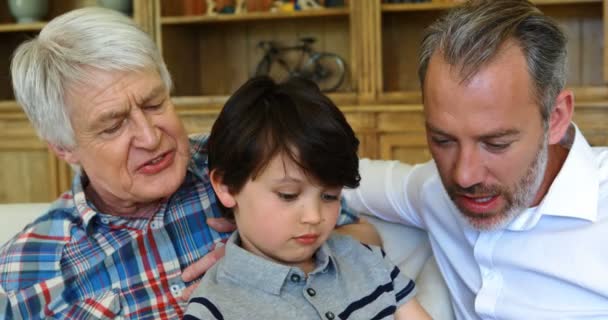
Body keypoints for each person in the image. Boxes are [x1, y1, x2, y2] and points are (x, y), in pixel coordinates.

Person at [0, 8, 375, 319]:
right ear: (64, 147)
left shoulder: (241, 160)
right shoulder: (28, 271)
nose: (150, 137)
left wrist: (264, 258)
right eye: (114, 125)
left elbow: (365, 238)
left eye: (154, 104)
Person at [344, 0, 608, 319]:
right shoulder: (431, 189)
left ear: (556, 118)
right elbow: (335, 177)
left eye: (496, 143)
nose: (464, 176)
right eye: (443, 140)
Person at [183, 76, 431, 320]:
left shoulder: (368, 260)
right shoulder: (214, 309)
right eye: (288, 195)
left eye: (329, 196)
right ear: (226, 187)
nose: (314, 216)